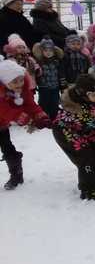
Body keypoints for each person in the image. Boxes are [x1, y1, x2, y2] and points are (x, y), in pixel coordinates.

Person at [0, 56, 52, 190]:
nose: (19, 83)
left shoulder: (21, 91)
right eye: (15, 81)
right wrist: (26, 119)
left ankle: (16, 174)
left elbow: (30, 104)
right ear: (5, 82)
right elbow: (5, 110)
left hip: (1, 125)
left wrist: (41, 117)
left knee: (6, 146)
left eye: (21, 79)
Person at [32, 36, 63, 119]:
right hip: (43, 86)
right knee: (43, 102)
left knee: (54, 102)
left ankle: (54, 117)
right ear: (41, 51)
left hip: (55, 85)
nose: (48, 53)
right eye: (45, 50)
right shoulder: (39, 61)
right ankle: (44, 117)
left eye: (50, 50)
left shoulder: (56, 61)